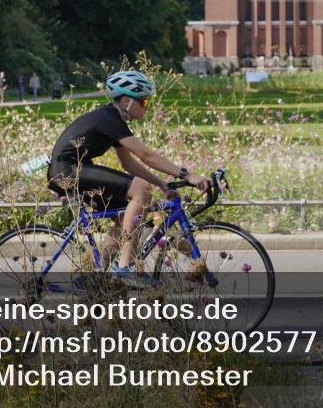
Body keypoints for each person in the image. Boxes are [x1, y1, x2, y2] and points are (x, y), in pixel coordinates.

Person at [46, 70, 211, 285]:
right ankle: (124, 267)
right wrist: (187, 174)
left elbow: (129, 163)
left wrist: (161, 183)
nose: (146, 106)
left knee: (124, 218)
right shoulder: (109, 119)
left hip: (72, 169)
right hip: (66, 170)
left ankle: (93, 280)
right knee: (140, 190)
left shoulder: (112, 120)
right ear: (125, 100)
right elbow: (146, 156)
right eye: (143, 101)